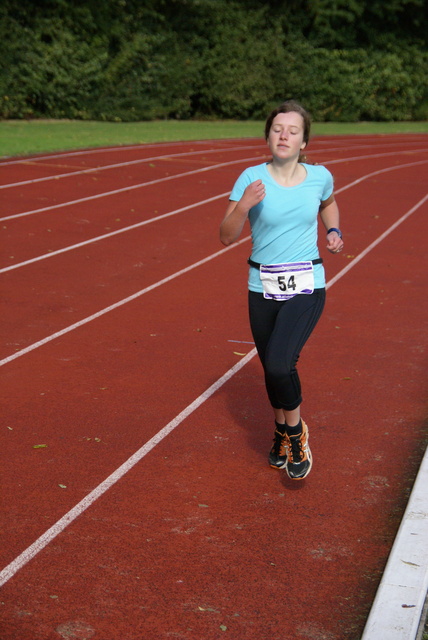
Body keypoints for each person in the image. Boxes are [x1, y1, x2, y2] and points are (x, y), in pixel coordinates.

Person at [220, 100, 344, 480]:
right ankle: (279, 430)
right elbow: (226, 237)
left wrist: (333, 230)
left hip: (307, 283)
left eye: (292, 130)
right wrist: (243, 206)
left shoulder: (320, 176)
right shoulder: (250, 179)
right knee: (270, 366)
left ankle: (295, 431)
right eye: (277, 129)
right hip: (262, 285)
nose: (284, 135)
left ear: (304, 141)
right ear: (268, 137)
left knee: (279, 363)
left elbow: (329, 203)